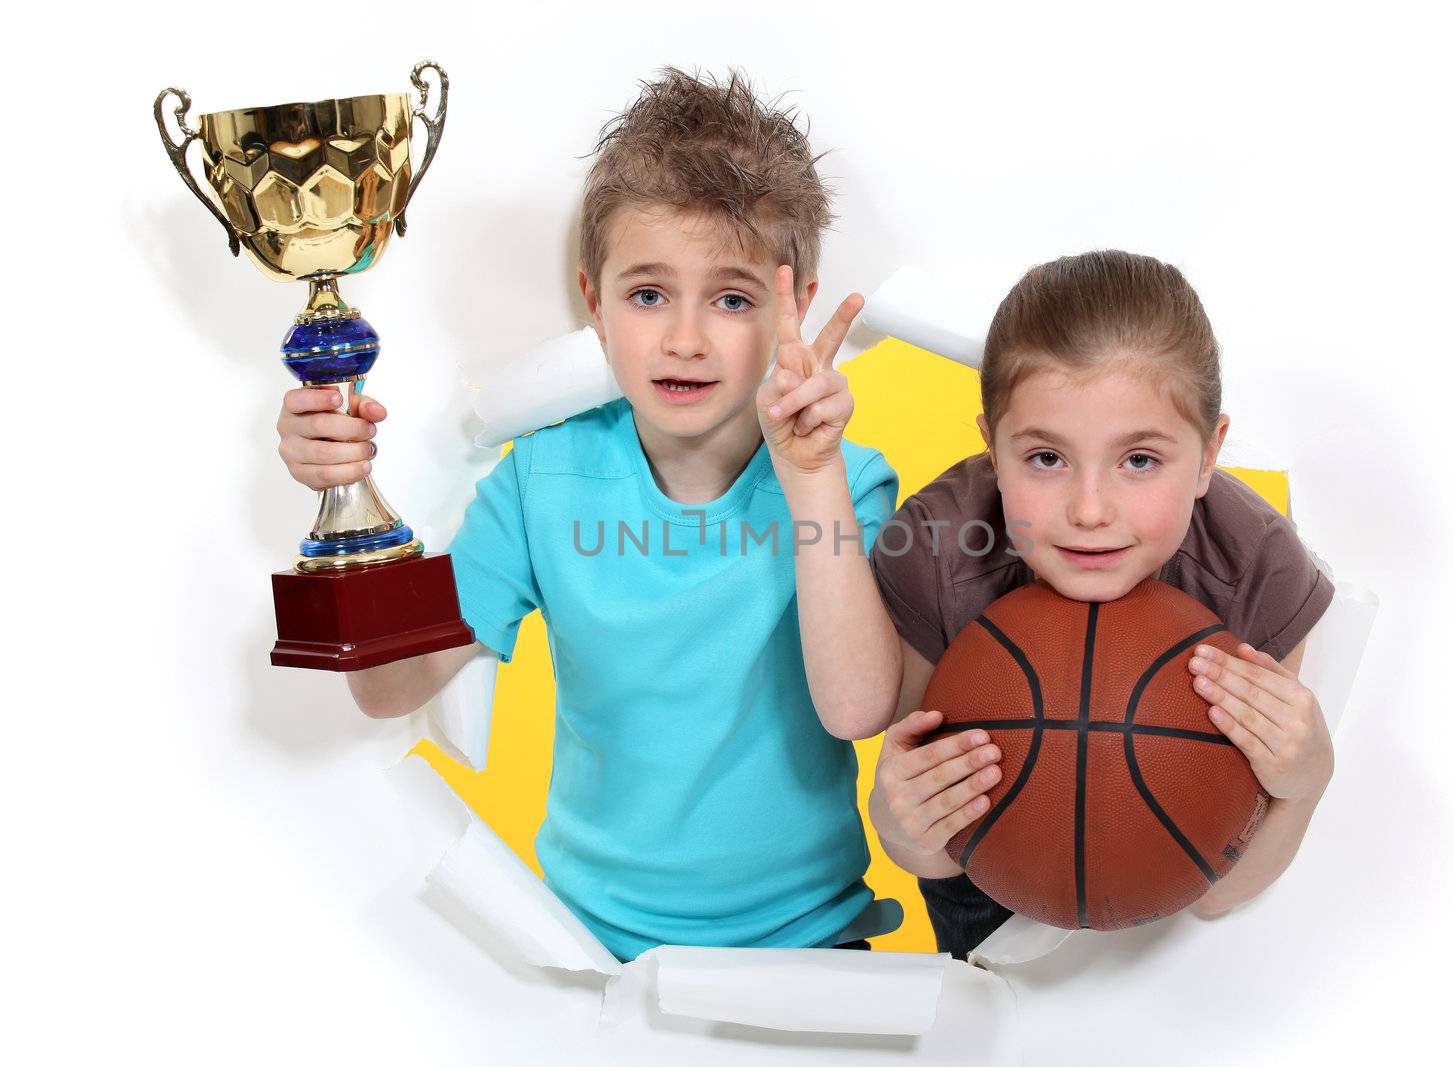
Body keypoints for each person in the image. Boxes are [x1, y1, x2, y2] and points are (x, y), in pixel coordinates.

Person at [274, 69, 902, 961]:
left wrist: (809, 478)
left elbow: (858, 709)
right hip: (586, 947)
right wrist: (340, 498)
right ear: (594, 302)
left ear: (793, 303)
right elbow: (385, 687)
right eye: (648, 294)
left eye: (731, 298)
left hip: (812, 946)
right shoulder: (543, 479)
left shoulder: (851, 482)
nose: (685, 338)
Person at [866, 251, 1337, 959]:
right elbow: (940, 855)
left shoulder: (1254, 567)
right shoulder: (937, 550)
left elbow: (1219, 893)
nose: (1090, 510)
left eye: (1139, 459)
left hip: (1175, 922)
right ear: (992, 449)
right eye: (1046, 458)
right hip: (987, 897)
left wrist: (1305, 782)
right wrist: (902, 825)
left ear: (1209, 455)